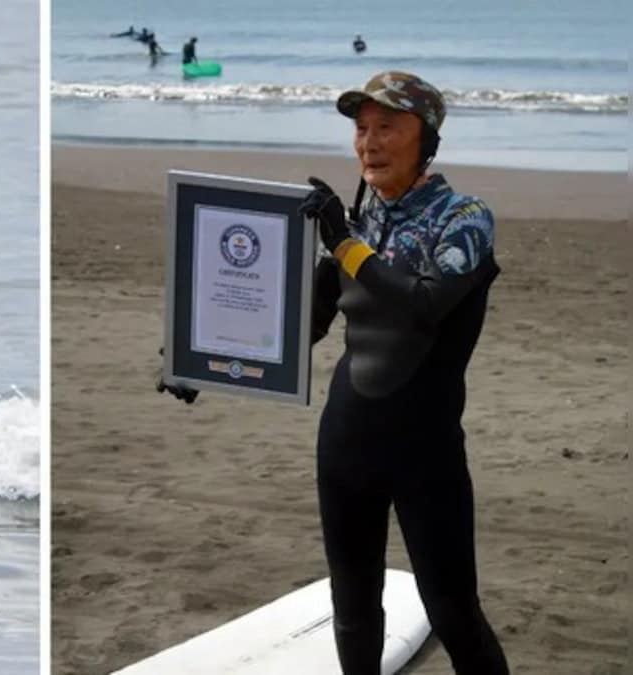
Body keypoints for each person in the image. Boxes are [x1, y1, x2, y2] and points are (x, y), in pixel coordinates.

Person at [158, 71, 510, 673]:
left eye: (387, 128)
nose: (369, 142)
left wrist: (345, 243)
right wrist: (202, 362)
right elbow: (302, 322)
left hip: (426, 450)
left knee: (452, 610)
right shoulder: (358, 220)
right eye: (361, 128)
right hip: (347, 440)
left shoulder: (464, 219)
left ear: (426, 139)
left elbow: (423, 304)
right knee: (352, 609)